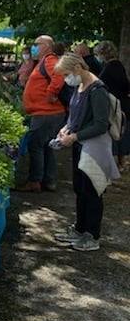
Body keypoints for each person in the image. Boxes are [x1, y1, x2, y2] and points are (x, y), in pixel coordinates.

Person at [53, 53, 120, 251]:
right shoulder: (79, 86)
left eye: (66, 74)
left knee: (92, 192)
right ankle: (80, 229)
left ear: (77, 68)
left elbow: (100, 125)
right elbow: (75, 114)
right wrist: (66, 128)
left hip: (94, 149)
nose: (66, 79)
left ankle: (92, 236)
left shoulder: (97, 89)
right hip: (81, 145)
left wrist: (73, 136)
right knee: (80, 189)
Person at [18, 35, 67, 192]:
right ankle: (48, 181)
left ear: (46, 46)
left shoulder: (49, 60)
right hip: (47, 113)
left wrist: (51, 93)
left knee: (35, 145)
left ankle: (35, 181)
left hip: (46, 113)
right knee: (46, 147)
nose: (33, 47)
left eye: (36, 44)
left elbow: (58, 77)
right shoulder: (43, 61)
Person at [94, 40, 130, 170]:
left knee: (115, 132)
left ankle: (116, 163)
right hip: (122, 103)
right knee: (121, 132)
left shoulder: (110, 67)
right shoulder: (117, 65)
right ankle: (121, 162)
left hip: (115, 105)